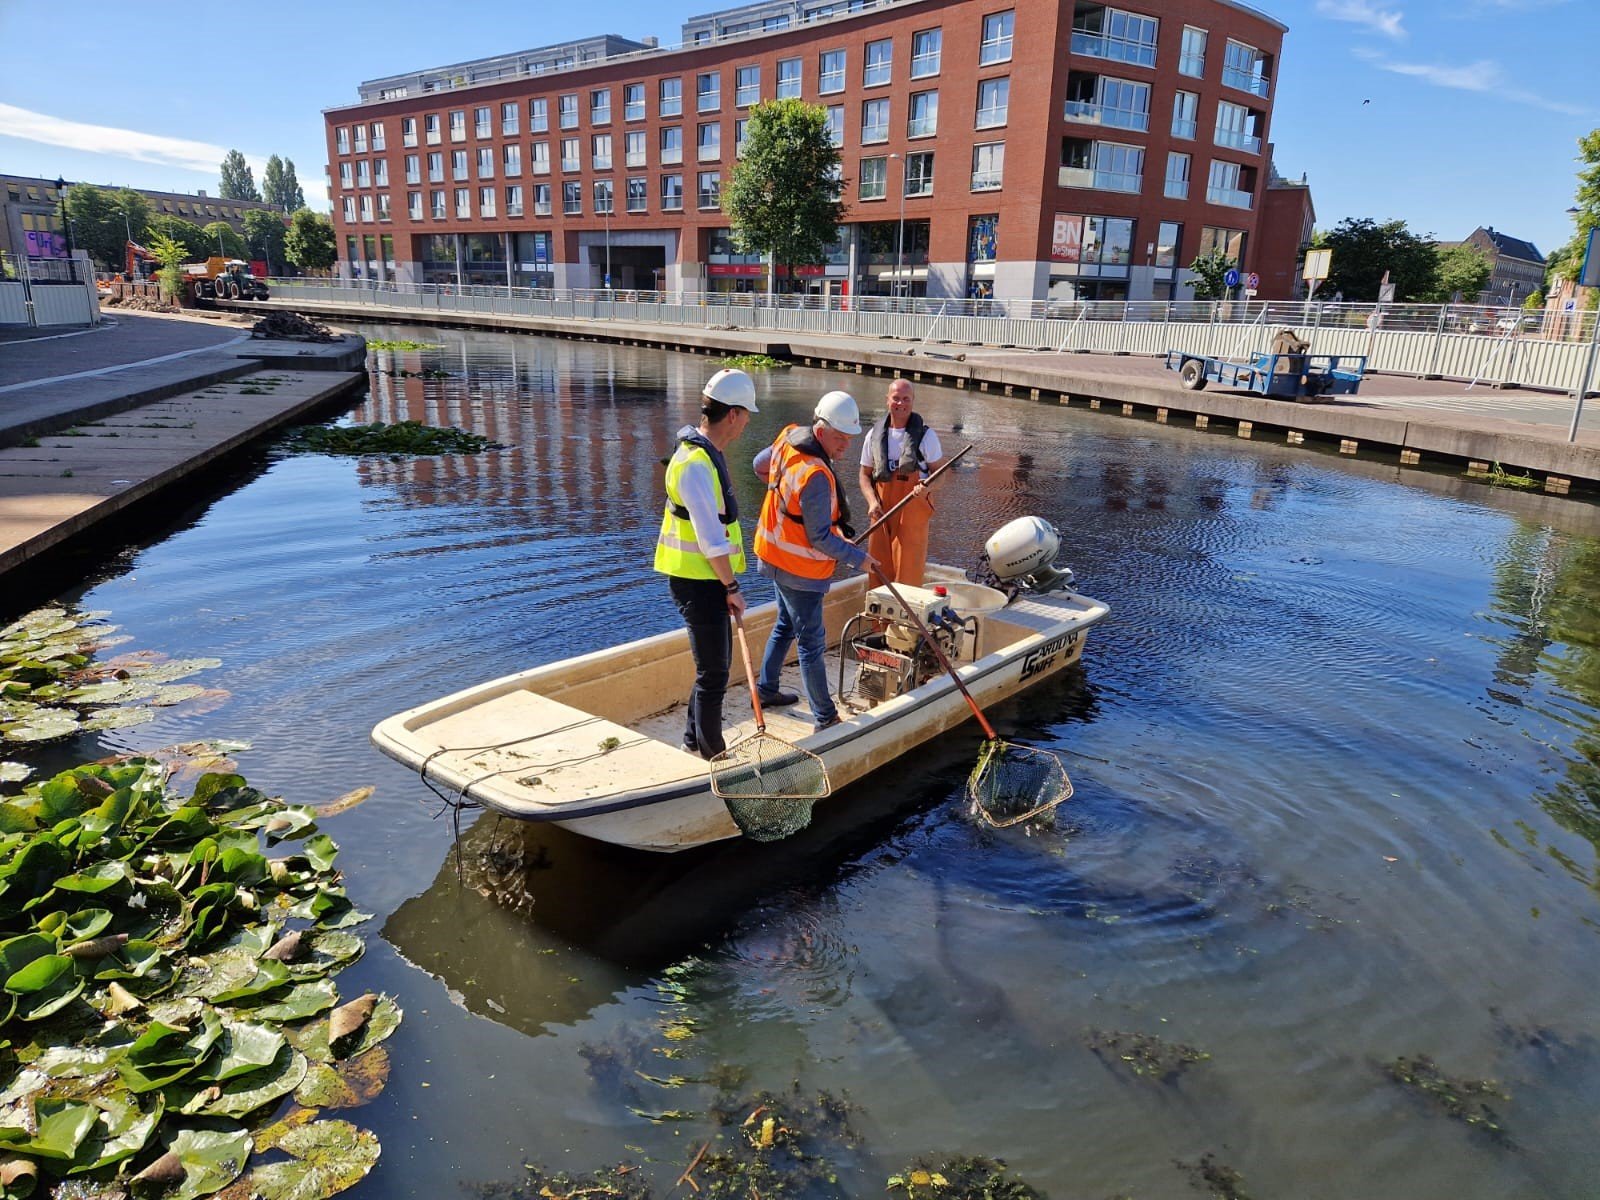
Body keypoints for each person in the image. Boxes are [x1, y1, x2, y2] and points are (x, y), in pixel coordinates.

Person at [752, 390, 875, 734]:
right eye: (840, 438)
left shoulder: (788, 438)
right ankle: (826, 718)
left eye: (850, 439)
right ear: (820, 432)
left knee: (784, 626)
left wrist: (782, 497)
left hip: (772, 553)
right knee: (810, 644)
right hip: (799, 570)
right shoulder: (817, 475)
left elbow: (759, 467)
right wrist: (860, 559)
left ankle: (766, 690)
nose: (845, 446)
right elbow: (820, 538)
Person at [654, 367, 758, 759]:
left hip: (706, 578)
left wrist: (726, 585)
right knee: (714, 672)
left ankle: (692, 738)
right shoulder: (696, 464)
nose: (747, 422)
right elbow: (711, 538)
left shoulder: (704, 456)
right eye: (746, 414)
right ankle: (713, 752)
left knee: (711, 667)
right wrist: (732, 588)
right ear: (732, 414)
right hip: (698, 581)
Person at [857, 378, 944, 586]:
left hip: (913, 511)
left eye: (906, 399)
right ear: (887, 400)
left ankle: (904, 618)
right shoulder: (873, 435)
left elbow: (940, 474)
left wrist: (927, 488)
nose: (900, 404)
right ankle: (878, 620)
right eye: (896, 398)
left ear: (913, 401)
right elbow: (864, 475)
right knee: (877, 569)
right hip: (881, 512)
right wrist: (871, 501)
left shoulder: (926, 436)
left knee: (908, 574)